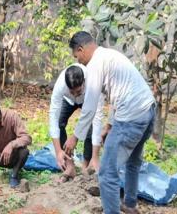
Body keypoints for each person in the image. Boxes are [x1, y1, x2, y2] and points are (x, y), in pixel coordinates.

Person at [64, 31, 155, 214]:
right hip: (149, 111)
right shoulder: (110, 55)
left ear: (81, 49)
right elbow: (117, 95)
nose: (78, 62)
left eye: (76, 56)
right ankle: (130, 205)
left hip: (132, 119)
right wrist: (109, 126)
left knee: (107, 174)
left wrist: (74, 137)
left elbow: (89, 108)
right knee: (133, 161)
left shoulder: (95, 64)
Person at [49, 63, 104, 180]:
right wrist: (58, 151)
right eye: (71, 91)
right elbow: (53, 116)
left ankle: (86, 166)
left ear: (84, 82)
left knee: (91, 127)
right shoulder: (60, 85)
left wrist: (75, 137)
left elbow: (97, 118)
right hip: (67, 101)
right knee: (59, 122)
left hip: (87, 100)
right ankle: (70, 166)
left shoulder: (93, 83)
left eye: (78, 91)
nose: (75, 94)